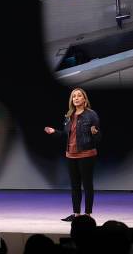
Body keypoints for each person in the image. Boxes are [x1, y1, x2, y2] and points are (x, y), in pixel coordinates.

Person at [44, 87, 101, 221]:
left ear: (84, 99)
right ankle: (76, 214)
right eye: (73, 96)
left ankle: (87, 215)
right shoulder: (69, 115)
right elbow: (66, 135)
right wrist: (54, 132)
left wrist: (95, 133)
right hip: (71, 155)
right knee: (75, 186)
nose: (76, 98)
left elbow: (99, 137)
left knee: (87, 185)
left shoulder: (91, 115)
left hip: (86, 154)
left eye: (79, 96)